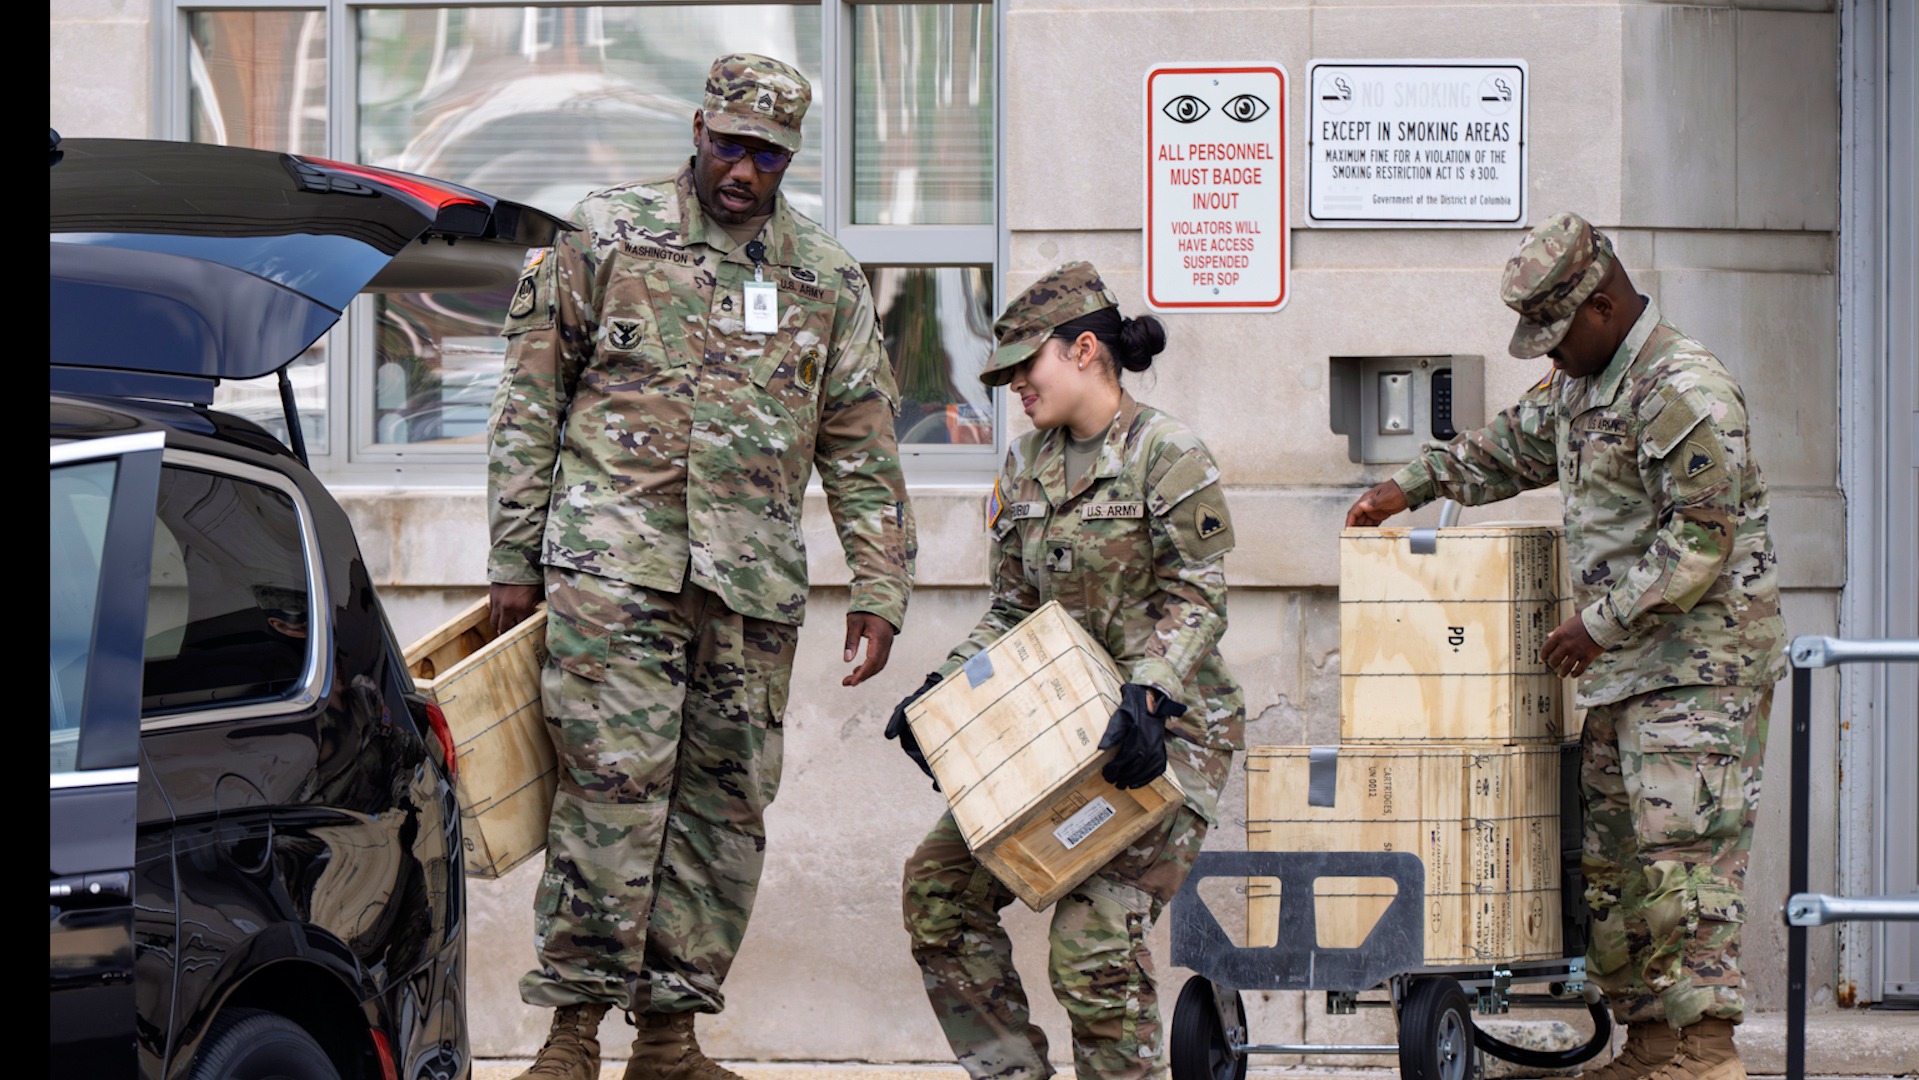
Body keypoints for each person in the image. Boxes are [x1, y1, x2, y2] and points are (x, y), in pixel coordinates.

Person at [486, 53, 916, 1080]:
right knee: (608, 796)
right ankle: (571, 1037)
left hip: (750, 590)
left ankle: (671, 1042)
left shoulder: (822, 276)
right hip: (613, 574)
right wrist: (511, 559)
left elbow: (860, 443)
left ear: (788, 158)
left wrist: (881, 582)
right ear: (696, 128)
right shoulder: (605, 234)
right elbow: (529, 404)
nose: (742, 172)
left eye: (766, 156)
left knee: (723, 812)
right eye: (729, 146)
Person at [1345, 212, 1784, 1080]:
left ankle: (1705, 1053)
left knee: (1682, 869)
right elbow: (1509, 446)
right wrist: (1408, 486)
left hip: (1697, 675)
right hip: (1625, 677)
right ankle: (1652, 1044)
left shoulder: (1681, 389)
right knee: (1616, 875)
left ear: (1604, 303)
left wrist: (1598, 623)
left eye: (1555, 334)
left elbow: (1701, 540)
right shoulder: (1585, 384)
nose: (1547, 356)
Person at [890, 261, 1243, 1079]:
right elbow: (1012, 609)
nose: (1016, 386)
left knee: (1091, 946)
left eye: (1026, 366)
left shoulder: (1167, 454)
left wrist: (1149, 694)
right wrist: (938, 691)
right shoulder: (1022, 467)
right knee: (938, 893)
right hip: (1059, 734)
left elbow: (1198, 597)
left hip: (1164, 736)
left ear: (1085, 349)